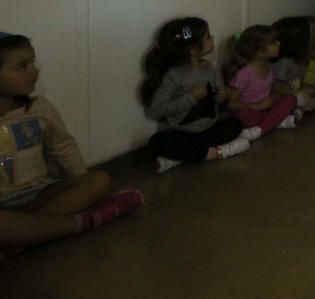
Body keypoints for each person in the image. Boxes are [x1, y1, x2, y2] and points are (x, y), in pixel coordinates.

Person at [0, 33, 143, 260]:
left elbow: (63, 147)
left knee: (99, 180)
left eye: (33, 63)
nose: (34, 71)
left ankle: (19, 237)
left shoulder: (39, 108)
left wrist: (83, 181)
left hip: (39, 195)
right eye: (22, 66)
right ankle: (82, 222)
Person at [143, 17, 251, 174]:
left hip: (208, 129)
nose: (212, 39)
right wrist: (190, 98)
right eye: (208, 37)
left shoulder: (209, 67)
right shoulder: (173, 76)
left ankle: (177, 160)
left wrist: (223, 94)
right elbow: (156, 110)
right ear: (193, 50)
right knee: (157, 143)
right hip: (182, 133)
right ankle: (220, 152)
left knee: (235, 124)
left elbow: (221, 91)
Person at [225, 25, 297, 137]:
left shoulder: (270, 67)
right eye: (273, 42)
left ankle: (267, 124)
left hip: (266, 109)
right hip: (251, 111)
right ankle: (267, 126)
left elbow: (270, 90)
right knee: (242, 115)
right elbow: (231, 105)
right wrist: (256, 106)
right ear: (260, 52)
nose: (278, 43)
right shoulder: (244, 74)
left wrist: (287, 93)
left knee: (290, 99)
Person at [271, 16, 315, 112]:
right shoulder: (284, 62)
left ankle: (308, 107)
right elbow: (276, 89)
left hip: (299, 91)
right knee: (301, 98)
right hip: (288, 95)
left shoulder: (302, 58)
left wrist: (307, 88)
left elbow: (302, 80)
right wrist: (299, 91)